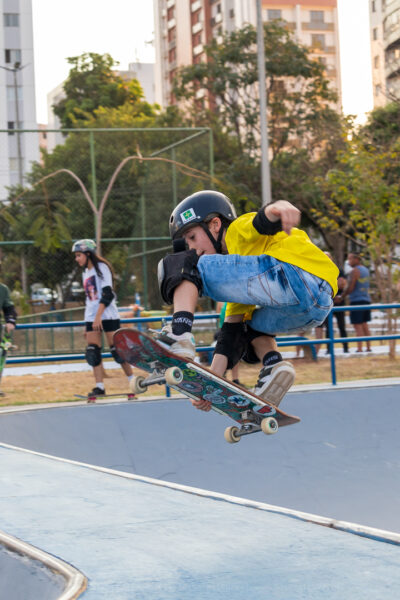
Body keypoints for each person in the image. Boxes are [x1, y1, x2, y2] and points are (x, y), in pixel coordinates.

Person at [157, 190, 338, 410]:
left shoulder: (234, 230)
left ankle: (180, 334)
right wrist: (209, 386)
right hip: (319, 305)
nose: (193, 248)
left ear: (215, 225)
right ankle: (273, 366)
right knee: (245, 328)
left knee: (181, 265)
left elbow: (262, 222)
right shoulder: (238, 280)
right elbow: (229, 336)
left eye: (192, 237)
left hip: (294, 273)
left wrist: (277, 207)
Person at [72, 239, 133, 396]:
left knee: (117, 351)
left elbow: (107, 294)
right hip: (91, 317)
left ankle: (133, 382)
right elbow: (90, 299)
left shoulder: (102, 267)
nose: (76, 259)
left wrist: (98, 316)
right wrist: (89, 322)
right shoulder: (85, 272)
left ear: (88, 254)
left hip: (107, 315)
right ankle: (100, 387)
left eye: (79, 255)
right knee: (93, 352)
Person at [315, 253, 349, 354]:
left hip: (338, 301)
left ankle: (346, 348)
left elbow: (342, 284)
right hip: (326, 302)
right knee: (328, 327)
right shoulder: (319, 269)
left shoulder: (337, 269)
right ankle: (329, 349)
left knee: (341, 326)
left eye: (328, 256)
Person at [345, 252, 372, 353]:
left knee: (358, 325)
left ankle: (359, 348)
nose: (349, 262)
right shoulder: (366, 270)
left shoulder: (355, 271)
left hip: (357, 300)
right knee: (365, 325)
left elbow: (350, 287)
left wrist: (342, 296)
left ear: (357, 259)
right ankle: (368, 346)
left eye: (350, 259)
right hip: (366, 299)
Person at [215, 301, 243, 386]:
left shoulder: (236, 298)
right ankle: (221, 377)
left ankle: (235, 379)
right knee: (223, 353)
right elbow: (218, 316)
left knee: (236, 355)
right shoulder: (220, 301)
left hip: (236, 328)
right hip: (224, 330)